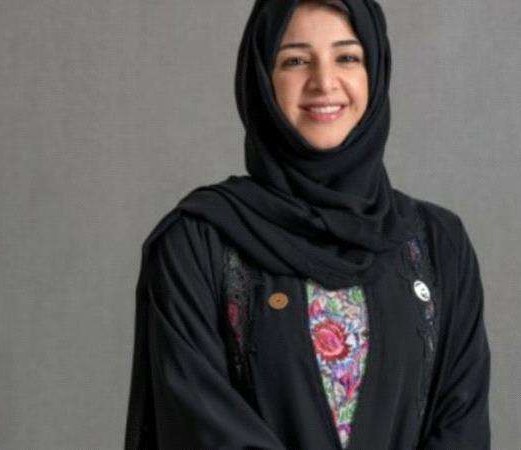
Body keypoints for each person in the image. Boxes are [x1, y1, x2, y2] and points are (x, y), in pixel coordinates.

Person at [124, 1, 491, 449]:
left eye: (347, 57)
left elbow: (461, 427)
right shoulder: (197, 242)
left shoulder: (438, 244)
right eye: (296, 61)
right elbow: (201, 427)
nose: (324, 82)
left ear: (374, 73)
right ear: (262, 80)